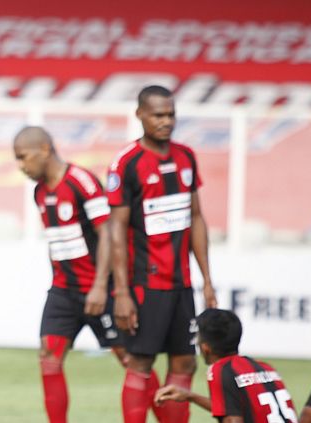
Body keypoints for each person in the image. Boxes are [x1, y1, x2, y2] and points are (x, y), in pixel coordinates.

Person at [14, 126, 141, 422]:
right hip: (63, 291)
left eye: (23, 157)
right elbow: (55, 239)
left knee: (133, 361)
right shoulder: (40, 192)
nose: (21, 166)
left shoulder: (81, 181)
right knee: (49, 357)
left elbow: (107, 233)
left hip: (100, 290)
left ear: (44, 149)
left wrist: (100, 286)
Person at [107, 85, 217, 422]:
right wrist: (122, 291)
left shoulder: (186, 157)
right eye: (158, 115)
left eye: (170, 114)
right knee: (140, 361)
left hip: (181, 284)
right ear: (140, 114)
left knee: (185, 362)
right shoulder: (127, 163)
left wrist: (207, 280)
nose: (166, 121)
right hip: (145, 283)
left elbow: (195, 217)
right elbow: (116, 230)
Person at [155, 309, 299, 423]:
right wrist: (190, 396)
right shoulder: (265, 367)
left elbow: (232, 419)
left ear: (206, 348)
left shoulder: (220, 370)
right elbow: (233, 408)